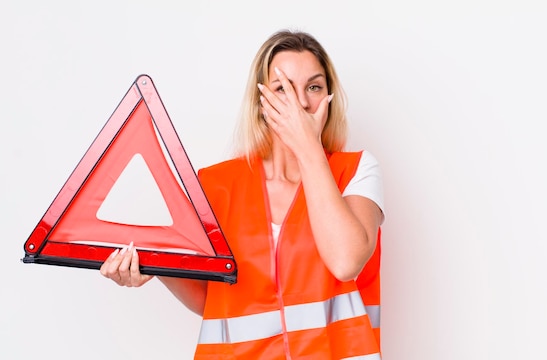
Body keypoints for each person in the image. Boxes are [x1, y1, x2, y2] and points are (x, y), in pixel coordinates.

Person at [100, 29, 385, 359]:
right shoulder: (215, 184)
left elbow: (345, 261)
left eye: (313, 87)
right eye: (283, 89)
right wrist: (155, 267)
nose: (301, 103)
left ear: (329, 97)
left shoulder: (358, 171)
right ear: (261, 103)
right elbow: (212, 299)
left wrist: (308, 148)